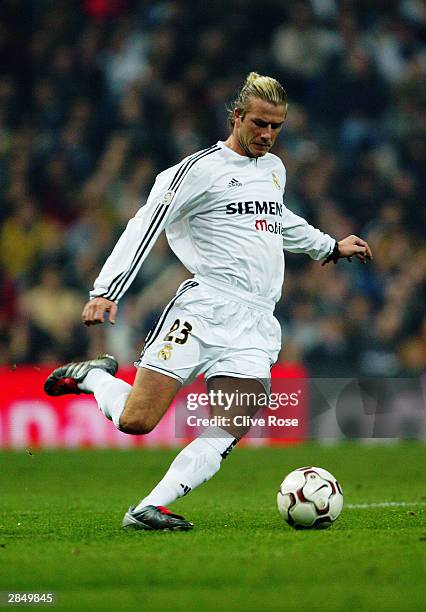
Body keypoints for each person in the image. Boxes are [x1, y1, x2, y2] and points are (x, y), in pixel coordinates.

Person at [44, 72, 373, 531]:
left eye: (277, 127)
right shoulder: (197, 171)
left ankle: (148, 508)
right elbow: (145, 225)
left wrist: (328, 247)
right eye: (260, 123)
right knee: (138, 421)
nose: (268, 135)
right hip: (204, 310)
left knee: (231, 423)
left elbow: (278, 220)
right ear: (236, 117)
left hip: (256, 322)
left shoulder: (273, 170)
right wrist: (105, 290)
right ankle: (93, 379)